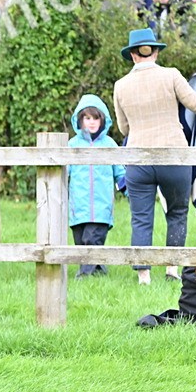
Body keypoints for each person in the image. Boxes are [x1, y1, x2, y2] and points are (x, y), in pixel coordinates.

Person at [112, 28, 196, 285]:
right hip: (173, 155)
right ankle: (172, 269)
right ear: (156, 51)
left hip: (138, 159)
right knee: (177, 212)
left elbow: (123, 128)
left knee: (141, 217)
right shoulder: (171, 75)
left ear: (133, 56)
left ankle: (143, 275)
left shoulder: (120, 86)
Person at [67, 94, 126, 278]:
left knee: (92, 239)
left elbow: (120, 171)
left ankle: (84, 275)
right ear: (80, 120)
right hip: (79, 206)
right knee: (81, 242)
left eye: (95, 118)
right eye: (87, 118)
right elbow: (63, 173)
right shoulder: (72, 145)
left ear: (103, 120)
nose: (91, 122)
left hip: (101, 206)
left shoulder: (109, 145)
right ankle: (98, 269)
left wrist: (127, 189)